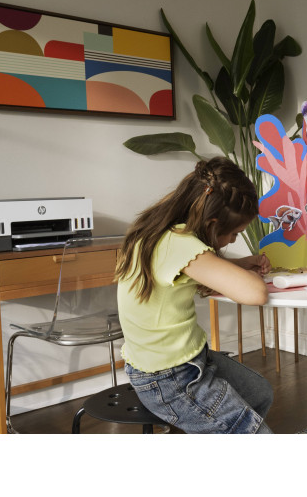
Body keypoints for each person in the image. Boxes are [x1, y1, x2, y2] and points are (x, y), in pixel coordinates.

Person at [116, 157, 275, 434]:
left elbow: (194, 269)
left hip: (179, 362)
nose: (233, 240)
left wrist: (242, 264)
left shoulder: (162, 232)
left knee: (259, 393)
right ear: (212, 223)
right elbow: (257, 293)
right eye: (234, 233)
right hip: (169, 379)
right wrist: (248, 274)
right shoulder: (180, 244)